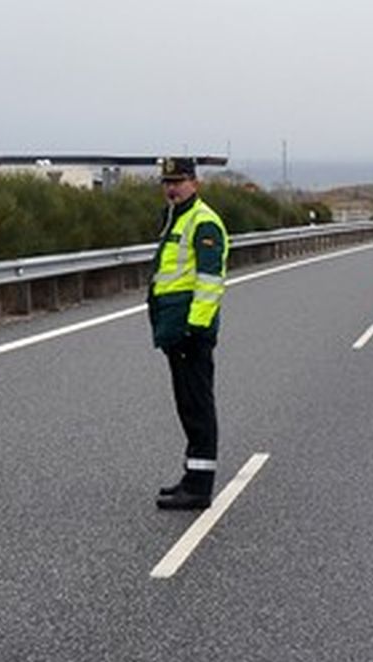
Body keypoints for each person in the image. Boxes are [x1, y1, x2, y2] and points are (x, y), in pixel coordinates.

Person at [149, 156, 228, 510]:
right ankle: (192, 476)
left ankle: (199, 487)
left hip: (189, 331)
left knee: (197, 406)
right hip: (175, 329)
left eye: (178, 181)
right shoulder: (176, 217)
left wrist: (195, 328)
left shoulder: (204, 222)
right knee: (187, 404)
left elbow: (210, 282)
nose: (171, 188)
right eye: (167, 182)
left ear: (194, 182)